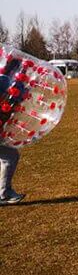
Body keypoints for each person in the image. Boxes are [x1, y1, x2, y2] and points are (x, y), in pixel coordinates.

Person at [0, 57, 27, 204]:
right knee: (10, 156)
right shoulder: (6, 82)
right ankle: (4, 194)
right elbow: (13, 98)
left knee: (9, 156)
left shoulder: (4, 79)